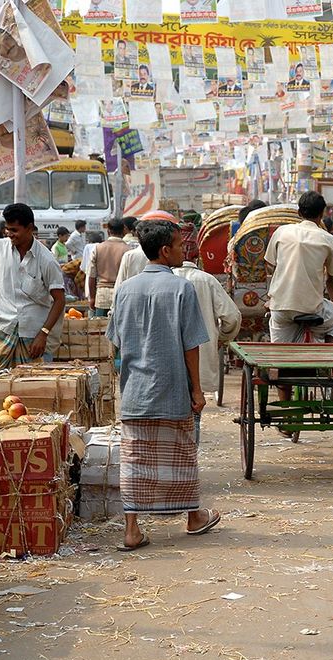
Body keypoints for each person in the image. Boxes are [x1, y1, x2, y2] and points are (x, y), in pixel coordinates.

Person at [107, 219, 220, 552]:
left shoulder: (125, 289)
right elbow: (191, 345)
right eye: (180, 245)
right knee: (182, 454)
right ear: (165, 250)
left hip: (135, 391)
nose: (184, 250)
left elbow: (115, 341)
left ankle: (132, 529)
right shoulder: (181, 288)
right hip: (172, 388)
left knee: (135, 459)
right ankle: (193, 517)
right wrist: (197, 389)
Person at [0, 203, 65, 369]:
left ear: (30, 228)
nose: (9, 234)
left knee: (31, 382)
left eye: (14, 230)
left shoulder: (47, 260)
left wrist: (43, 333)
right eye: (7, 229)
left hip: (32, 334)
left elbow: (60, 300)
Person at [265, 191, 333, 343]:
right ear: (321, 214)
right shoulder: (329, 239)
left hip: (280, 307)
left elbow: (270, 265)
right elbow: (331, 279)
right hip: (312, 308)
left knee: (279, 350)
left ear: (299, 212)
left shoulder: (281, 232)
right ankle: (328, 354)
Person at [174, 258, 242, 399]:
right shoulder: (207, 280)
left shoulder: (161, 280)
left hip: (166, 362)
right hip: (201, 356)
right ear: (197, 259)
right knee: (195, 401)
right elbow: (232, 317)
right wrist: (220, 339)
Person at [88, 218, 130, 316]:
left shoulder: (98, 248)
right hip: (121, 295)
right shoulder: (128, 250)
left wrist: (92, 298)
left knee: (100, 325)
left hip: (102, 296)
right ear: (123, 231)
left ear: (108, 231)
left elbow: (91, 276)